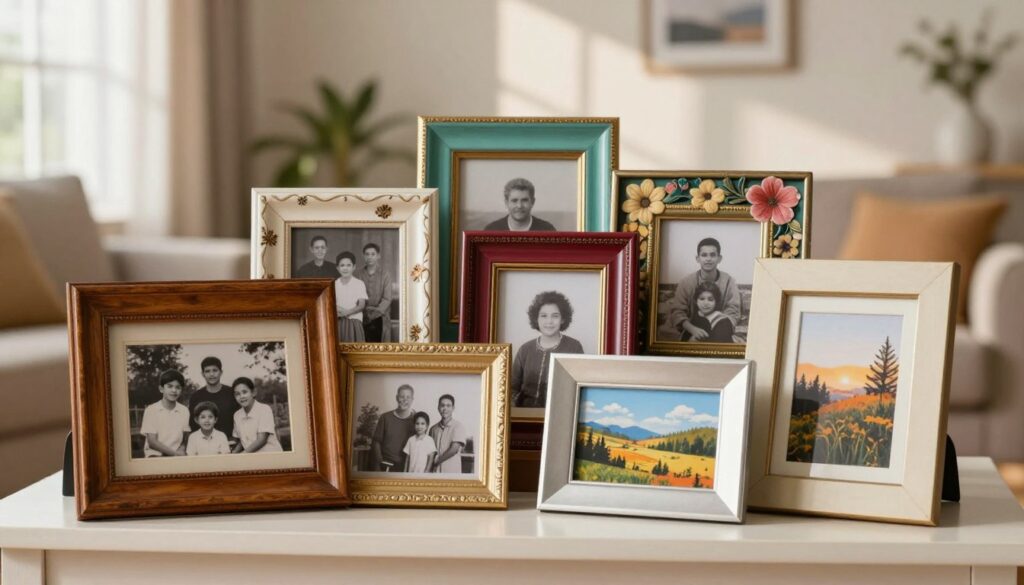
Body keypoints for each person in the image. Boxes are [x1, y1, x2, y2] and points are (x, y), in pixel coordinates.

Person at [510, 291, 585, 408]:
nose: (549, 321)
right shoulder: (525, 349)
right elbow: (512, 389)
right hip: (524, 415)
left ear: (563, 319)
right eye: (544, 316)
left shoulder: (574, 347)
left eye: (555, 316)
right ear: (536, 319)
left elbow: (580, 388)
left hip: (560, 414)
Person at [667, 237, 741, 342]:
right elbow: (677, 311)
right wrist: (692, 329)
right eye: (704, 255)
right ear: (698, 258)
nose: (708, 259)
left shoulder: (729, 281)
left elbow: (733, 310)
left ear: (719, 258)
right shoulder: (686, 282)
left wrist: (720, 327)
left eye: (712, 255)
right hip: (693, 328)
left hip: (721, 327)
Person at [139, 369, 190, 457]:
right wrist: (174, 454)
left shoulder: (184, 410)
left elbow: (185, 437)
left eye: (178, 387)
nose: (174, 390)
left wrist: (181, 449)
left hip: (177, 455)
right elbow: (152, 442)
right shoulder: (151, 410)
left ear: (181, 390)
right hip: (155, 455)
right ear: (161, 389)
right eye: (170, 386)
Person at [188, 356, 240, 440]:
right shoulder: (196, 397)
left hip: (230, 442)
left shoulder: (232, 393)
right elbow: (192, 425)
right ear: (203, 374)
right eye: (207, 371)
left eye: (215, 370)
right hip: (204, 444)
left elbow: (240, 420)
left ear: (221, 372)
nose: (211, 374)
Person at [371, 384, 417, 472]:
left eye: (408, 397)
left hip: (407, 467)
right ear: (397, 398)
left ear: (412, 400)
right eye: (402, 396)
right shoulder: (385, 417)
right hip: (386, 465)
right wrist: (379, 464)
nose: (405, 400)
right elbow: (376, 442)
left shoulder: (416, 421)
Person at [231, 376, 283, 453]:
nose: (241, 396)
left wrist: (242, 455)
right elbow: (242, 441)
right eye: (237, 394)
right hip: (251, 459)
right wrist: (234, 452)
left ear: (253, 392)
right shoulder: (237, 415)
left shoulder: (264, 409)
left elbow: (262, 440)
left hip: (271, 455)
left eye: (245, 392)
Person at [483, 178, 556, 231]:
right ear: (506, 203)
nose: (519, 206)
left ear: (532, 202)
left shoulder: (547, 230)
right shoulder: (491, 230)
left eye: (524, 200)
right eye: (514, 201)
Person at [356, 242, 393, 342]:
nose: (370, 257)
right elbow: (356, 296)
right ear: (363, 256)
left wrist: (375, 313)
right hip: (362, 315)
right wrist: (364, 312)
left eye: (373, 254)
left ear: (378, 256)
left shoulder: (385, 274)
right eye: (367, 254)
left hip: (380, 316)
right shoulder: (358, 274)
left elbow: (387, 299)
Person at [429, 394, 468, 474]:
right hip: (435, 472)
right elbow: (430, 450)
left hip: (451, 471)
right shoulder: (433, 429)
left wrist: (437, 461)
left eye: (448, 406)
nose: (445, 408)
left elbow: (454, 449)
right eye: (442, 405)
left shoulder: (458, 426)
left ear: (453, 408)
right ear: (438, 408)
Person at [334, 251, 368, 342]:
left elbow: (361, 305)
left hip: (354, 322)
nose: (345, 268)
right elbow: (331, 303)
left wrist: (347, 312)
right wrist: (341, 311)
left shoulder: (359, 283)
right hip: (338, 322)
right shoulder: (334, 284)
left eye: (348, 265)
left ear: (354, 267)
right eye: (342, 265)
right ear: (337, 268)